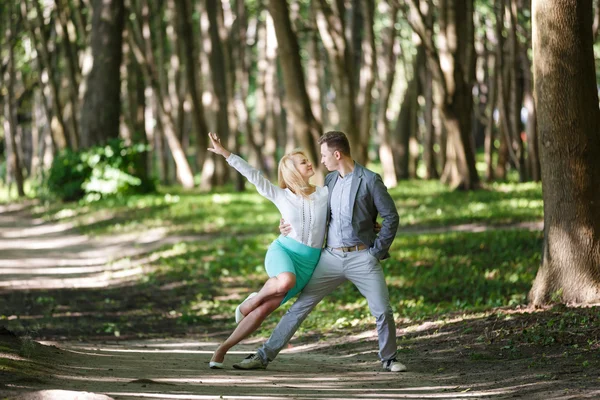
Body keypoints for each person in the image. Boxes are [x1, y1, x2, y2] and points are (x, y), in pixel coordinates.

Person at [231, 131, 406, 372]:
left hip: (362, 257)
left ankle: (389, 359)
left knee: (383, 310)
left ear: (337, 154)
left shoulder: (370, 180)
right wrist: (286, 225)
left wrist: (376, 251)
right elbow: (314, 216)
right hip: (330, 257)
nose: (321, 160)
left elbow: (391, 217)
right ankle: (263, 356)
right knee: (299, 308)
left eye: (324, 155)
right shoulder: (330, 182)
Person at [206, 132, 329, 369]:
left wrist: (371, 223)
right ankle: (248, 303)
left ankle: (222, 348)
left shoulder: (325, 194)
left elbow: (346, 212)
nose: (309, 163)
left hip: (308, 263)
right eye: (303, 162)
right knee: (284, 281)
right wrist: (225, 153)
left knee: (265, 310)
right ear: (292, 170)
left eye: (307, 160)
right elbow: (253, 175)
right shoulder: (281, 195)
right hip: (283, 252)